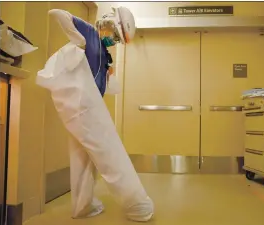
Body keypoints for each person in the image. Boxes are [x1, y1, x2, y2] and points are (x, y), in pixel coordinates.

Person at [48, 7, 154, 222]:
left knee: (82, 158)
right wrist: (76, 36)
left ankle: (82, 206)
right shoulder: (89, 33)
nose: (113, 40)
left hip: (78, 108)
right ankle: (138, 205)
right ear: (108, 23)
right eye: (114, 34)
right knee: (110, 154)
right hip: (84, 107)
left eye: (117, 39)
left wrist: (108, 71)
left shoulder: (104, 52)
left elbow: (101, 79)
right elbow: (56, 13)